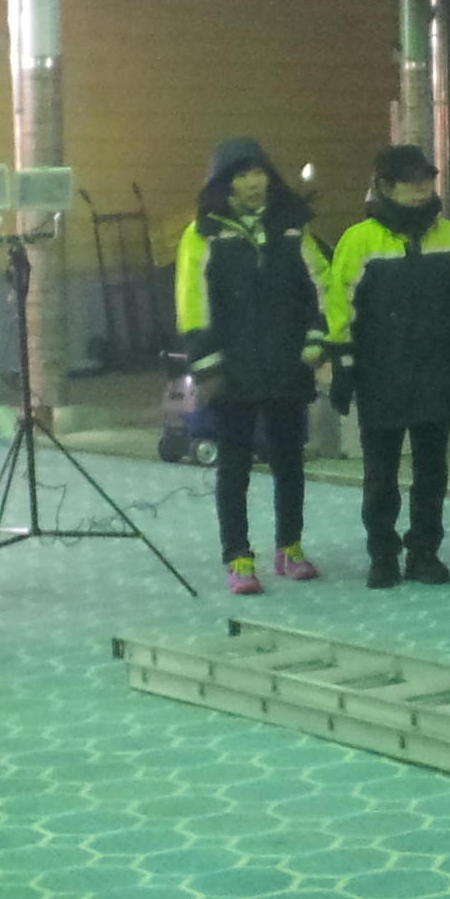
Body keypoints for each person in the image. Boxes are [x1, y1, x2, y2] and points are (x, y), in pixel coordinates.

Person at [323, 145, 450, 590]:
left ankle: (424, 552)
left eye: (426, 179)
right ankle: (383, 555)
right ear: (385, 186)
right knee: (381, 475)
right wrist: (343, 366)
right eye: (410, 181)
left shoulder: (446, 235)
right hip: (381, 375)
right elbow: (340, 307)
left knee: (432, 473)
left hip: (437, 371)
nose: (421, 188)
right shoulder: (359, 240)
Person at [174, 137, 329, 596]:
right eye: (242, 175)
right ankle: (238, 556)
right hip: (232, 372)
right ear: (225, 184)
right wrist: (208, 367)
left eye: (259, 172)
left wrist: (316, 342)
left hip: (287, 366)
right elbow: (192, 303)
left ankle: (290, 548)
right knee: (234, 467)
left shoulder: (293, 228)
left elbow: (320, 287)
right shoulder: (201, 235)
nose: (253, 183)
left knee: (290, 462)